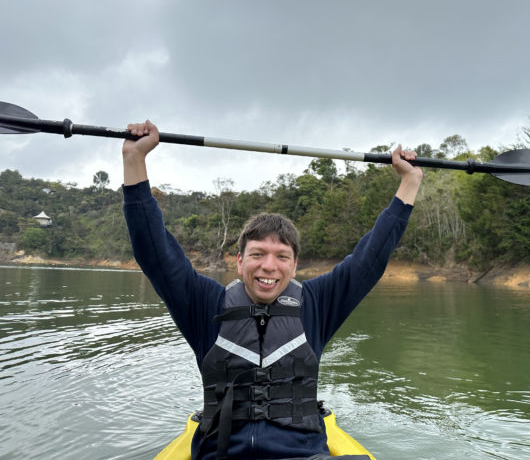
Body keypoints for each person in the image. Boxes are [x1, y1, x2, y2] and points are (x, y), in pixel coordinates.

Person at [122, 120, 423, 460]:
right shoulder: (205, 303)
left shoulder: (316, 303)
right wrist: (135, 160)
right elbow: (154, 251)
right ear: (239, 261)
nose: (269, 266)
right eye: (258, 254)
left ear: (294, 266)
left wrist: (409, 183)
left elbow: (370, 259)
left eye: (282, 256)